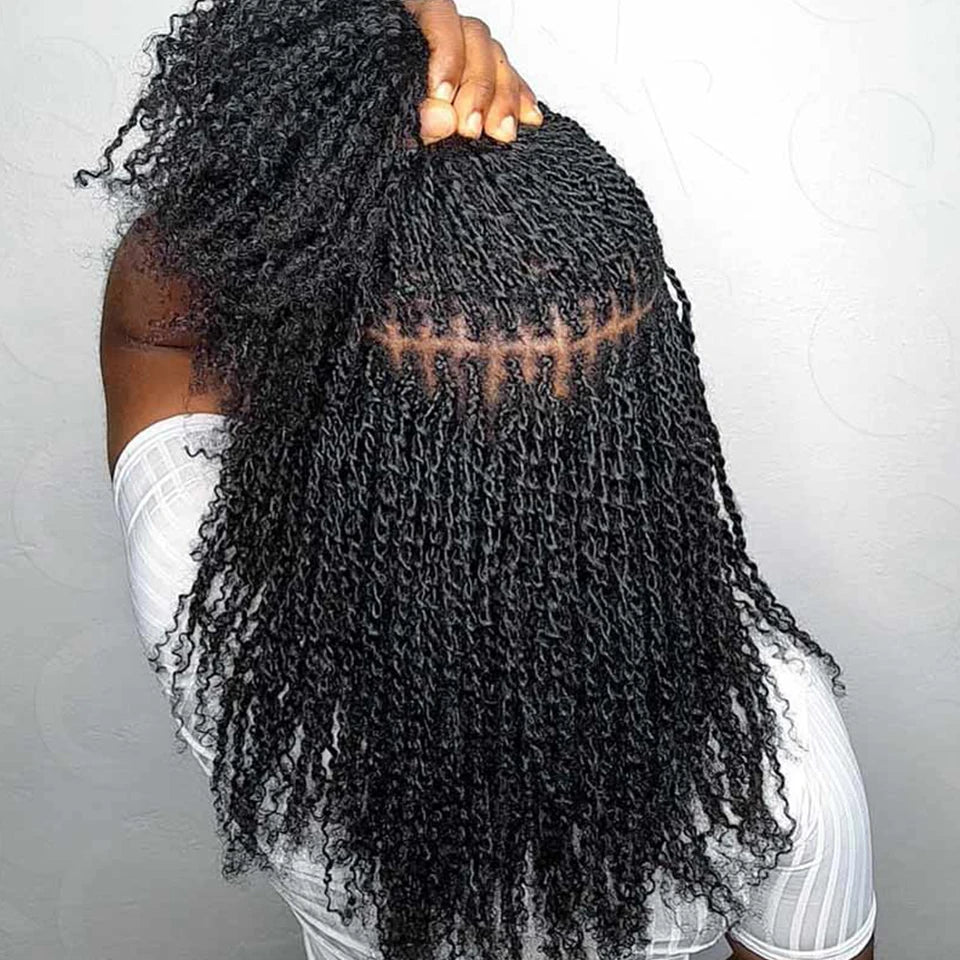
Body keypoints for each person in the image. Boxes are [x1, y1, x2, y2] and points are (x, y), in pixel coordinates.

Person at [75, 1, 877, 959]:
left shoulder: (225, 613)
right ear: (654, 413)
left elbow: (149, 330)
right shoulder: (776, 753)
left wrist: (346, 79)